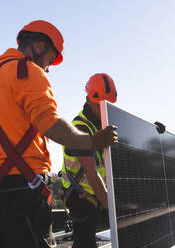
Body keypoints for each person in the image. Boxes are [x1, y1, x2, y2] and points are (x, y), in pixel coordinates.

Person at [0, 20, 117, 248]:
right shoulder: (28, 71)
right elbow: (50, 123)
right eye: (50, 60)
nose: (48, 68)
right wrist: (92, 140)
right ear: (39, 46)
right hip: (23, 189)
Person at [61, 73, 117, 248]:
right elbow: (92, 173)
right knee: (86, 244)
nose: (104, 109)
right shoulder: (80, 128)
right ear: (89, 99)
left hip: (98, 192)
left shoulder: (102, 125)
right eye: (100, 104)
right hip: (81, 196)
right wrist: (111, 209)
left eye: (107, 105)